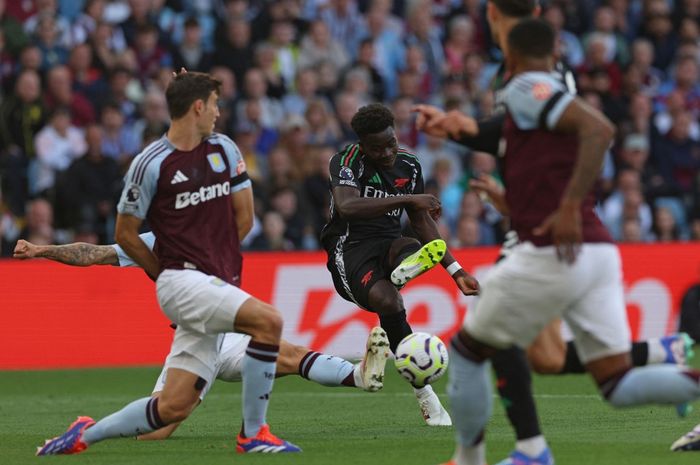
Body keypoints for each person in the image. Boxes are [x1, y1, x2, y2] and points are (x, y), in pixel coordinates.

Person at [414, 1, 693, 463]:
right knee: (616, 384)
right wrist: (459, 131)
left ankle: (480, 458)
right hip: (596, 251)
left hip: (551, 249)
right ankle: (531, 450)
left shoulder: (526, 85)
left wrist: (563, 207)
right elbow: (525, 146)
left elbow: (598, 130)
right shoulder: (537, 93)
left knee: (466, 351)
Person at [37, 71, 298, 455]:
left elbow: (245, 218)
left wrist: (212, 258)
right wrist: (165, 272)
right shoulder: (150, 164)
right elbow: (125, 234)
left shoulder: (224, 149)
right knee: (269, 322)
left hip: (214, 282)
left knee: (173, 407)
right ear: (197, 107)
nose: (218, 112)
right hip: (180, 282)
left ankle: (82, 435)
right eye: (214, 104)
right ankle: (254, 434)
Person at [14, 235, 391, 441]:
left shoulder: (221, 231)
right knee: (160, 426)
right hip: (193, 342)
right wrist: (41, 250)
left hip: (227, 338)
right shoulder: (157, 240)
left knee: (287, 353)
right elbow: (93, 253)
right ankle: (89, 431)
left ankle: (357, 375)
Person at [320, 103, 480, 426]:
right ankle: (426, 395)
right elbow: (348, 206)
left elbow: (422, 220)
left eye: (391, 142)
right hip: (350, 251)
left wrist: (455, 270)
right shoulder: (346, 161)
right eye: (377, 148)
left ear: (396, 134)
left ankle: (405, 268)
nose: (388, 152)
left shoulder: (410, 165)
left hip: (391, 245)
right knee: (388, 301)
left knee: (413, 246)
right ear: (362, 146)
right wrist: (408, 200)